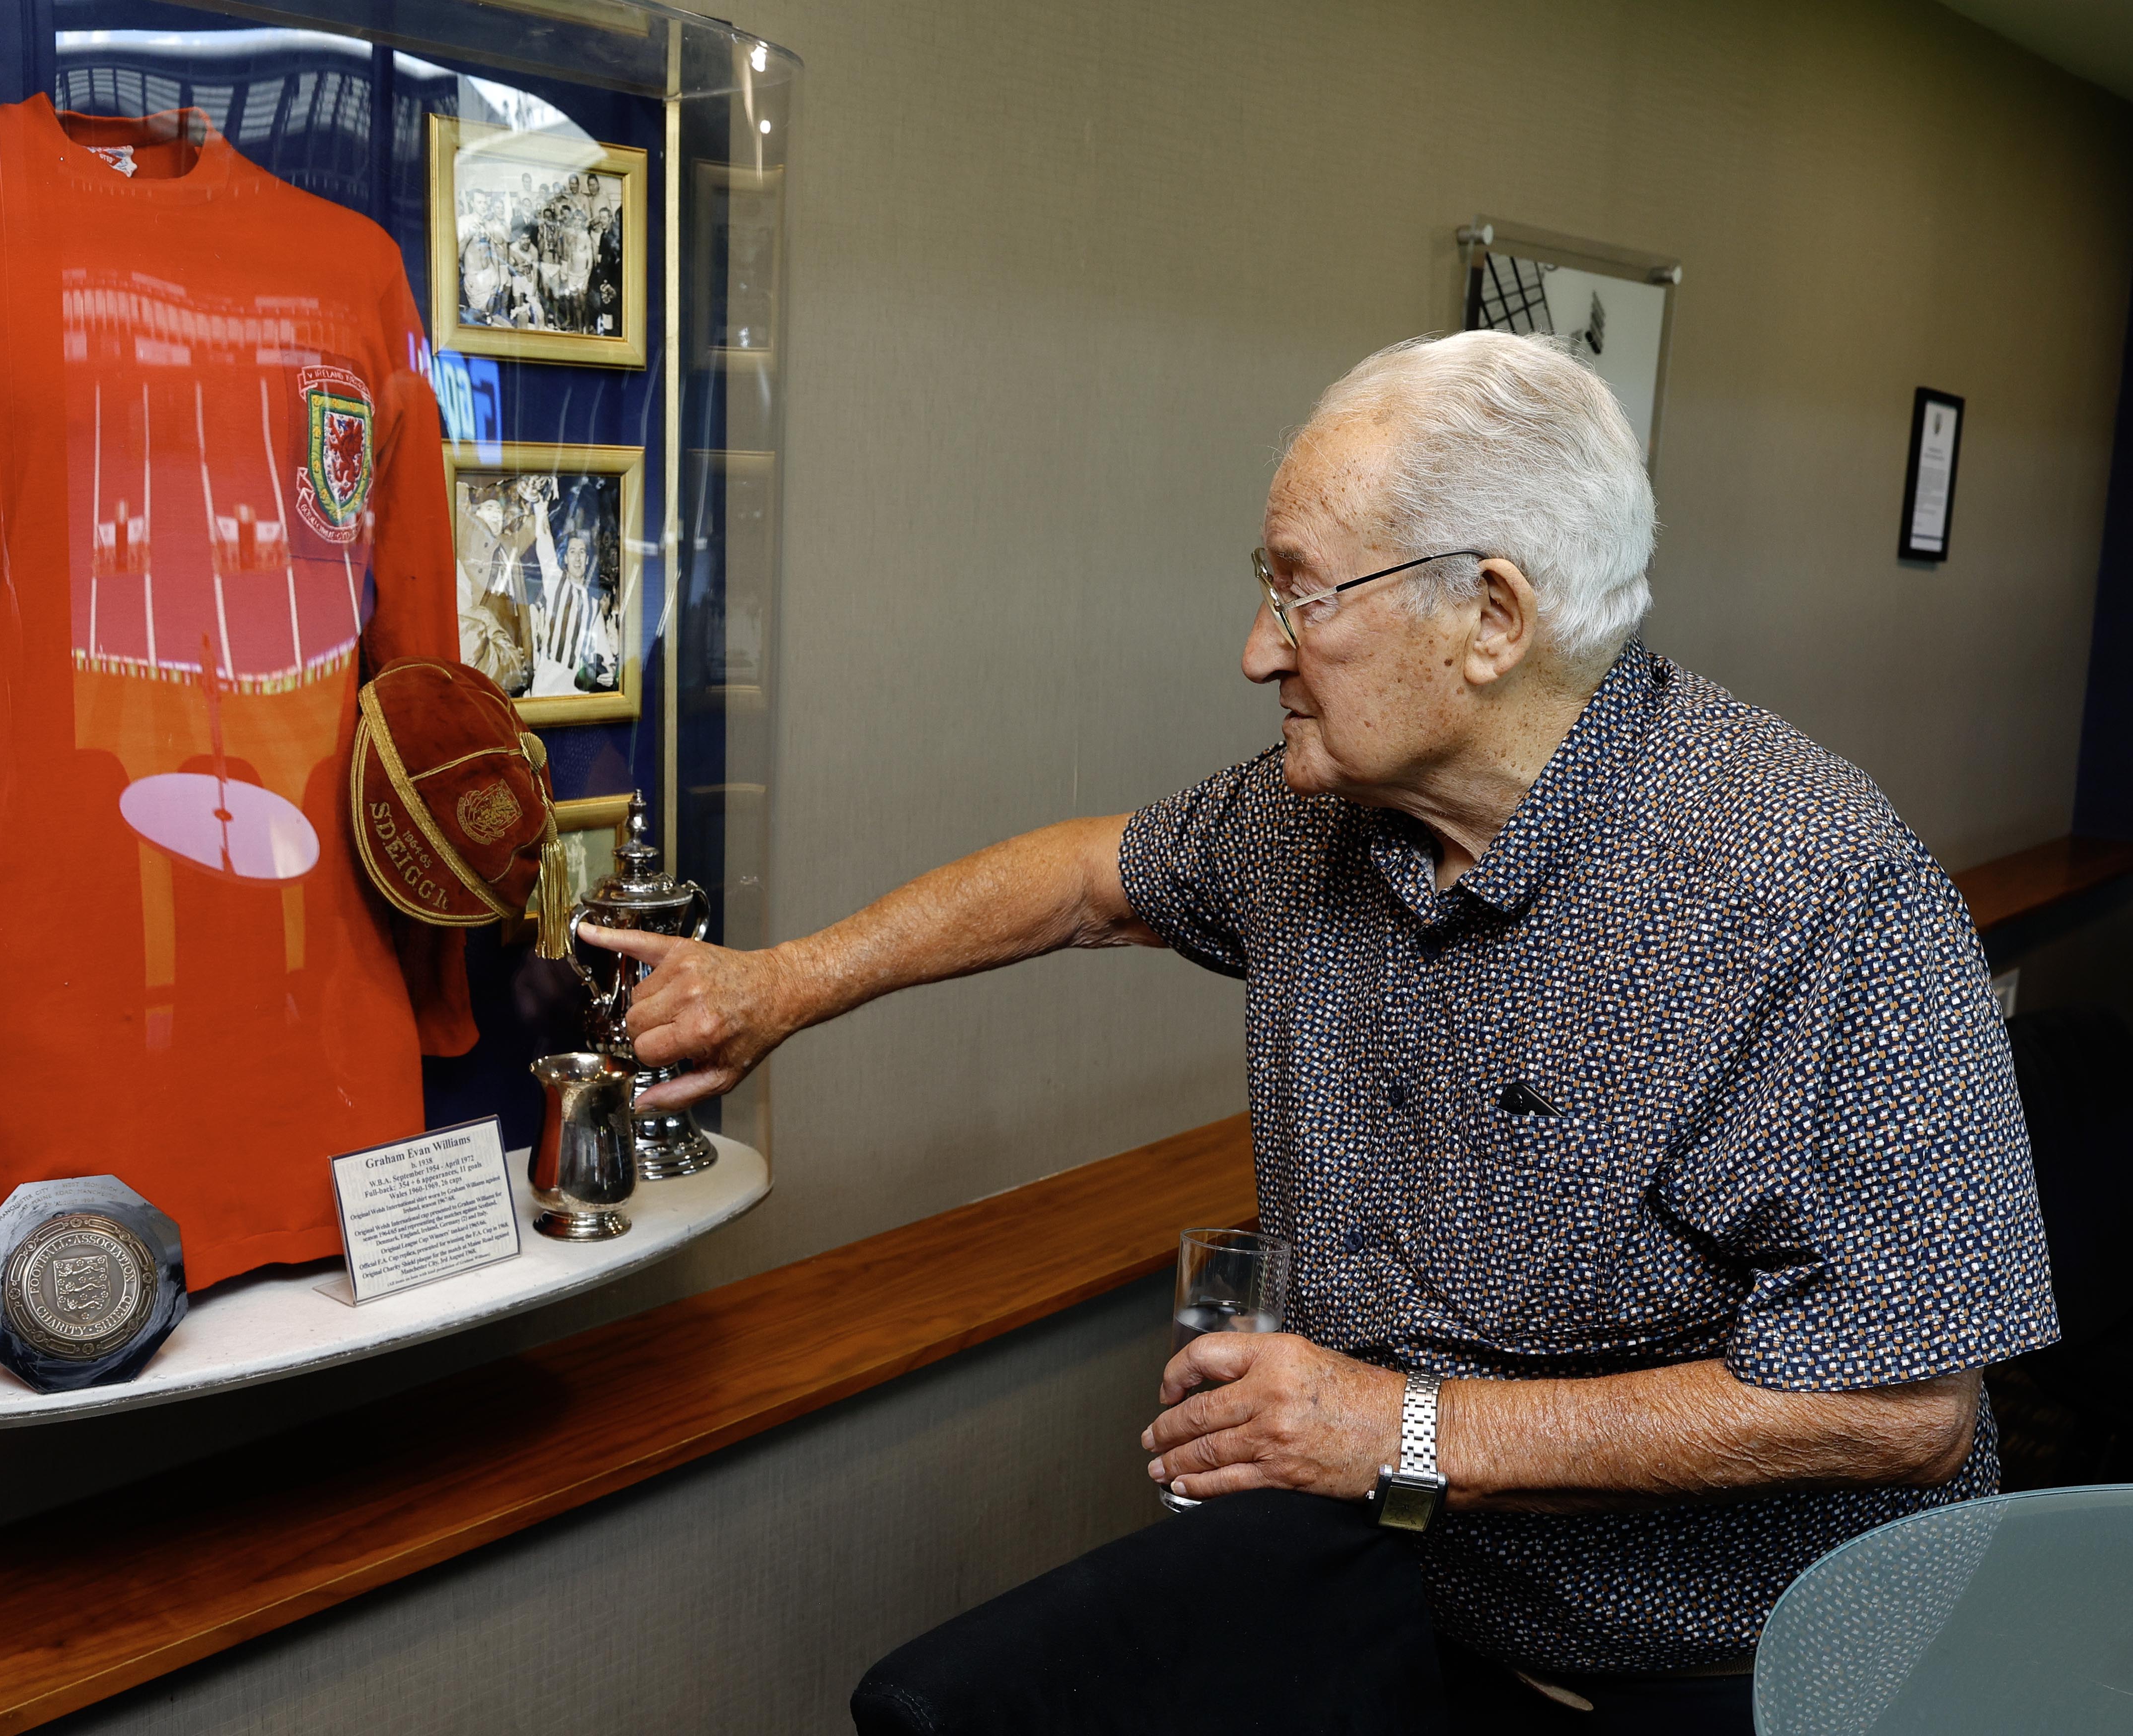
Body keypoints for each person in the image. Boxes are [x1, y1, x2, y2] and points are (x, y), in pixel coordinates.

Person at [581, 331, 2057, 1732]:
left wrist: (1401, 1432)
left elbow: (1899, 1406)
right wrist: (785, 984)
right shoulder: (1315, 819)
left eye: (1300, 594)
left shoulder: (1807, 890)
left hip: (1761, 1668)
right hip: (1423, 1595)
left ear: (1487, 619)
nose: (1254, 649)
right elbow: (1084, 880)